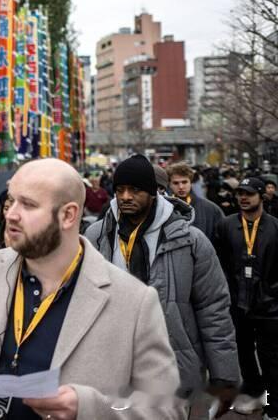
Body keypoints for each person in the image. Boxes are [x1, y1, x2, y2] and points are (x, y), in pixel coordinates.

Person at [0, 158, 184, 419]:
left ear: (68, 215)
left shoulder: (134, 302)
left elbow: (165, 408)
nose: (11, 214)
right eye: (12, 200)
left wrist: (88, 408)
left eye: (28, 204)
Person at [84, 154, 240, 404]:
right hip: (113, 364)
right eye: (120, 190)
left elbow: (213, 309)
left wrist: (225, 375)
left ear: (153, 193)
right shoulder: (97, 235)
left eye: (134, 190)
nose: (125, 197)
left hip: (173, 364)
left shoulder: (190, 239)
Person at [213, 176, 278, 418]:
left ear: (262, 196)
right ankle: (254, 392)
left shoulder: (274, 227)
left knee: (270, 358)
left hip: (268, 306)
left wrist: (272, 294)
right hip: (236, 303)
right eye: (240, 192)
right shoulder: (226, 225)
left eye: (249, 193)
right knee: (242, 353)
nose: (243, 197)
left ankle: (274, 406)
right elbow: (218, 262)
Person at [167, 162, 224, 241]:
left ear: (191, 182)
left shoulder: (211, 209)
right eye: (176, 183)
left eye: (184, 182)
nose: (181, 187)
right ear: (169, 184)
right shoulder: (164, 209)